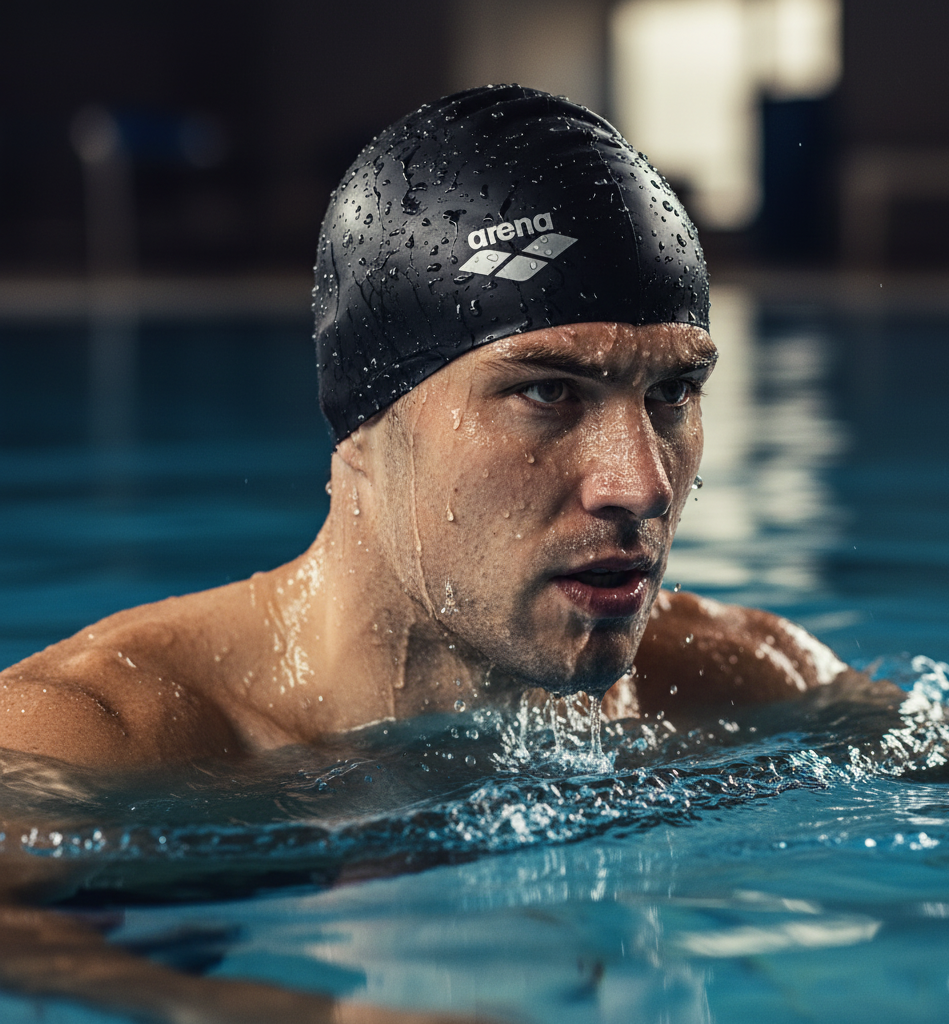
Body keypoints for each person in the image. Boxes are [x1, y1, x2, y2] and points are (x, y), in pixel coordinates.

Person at [0, 86, 857, 770]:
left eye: (672, 391)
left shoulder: (744, 676)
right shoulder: (90, 737)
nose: (641, 485)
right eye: (548, 394)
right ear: (366, 419)